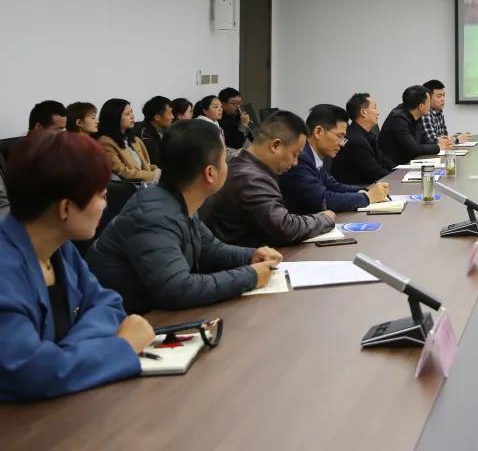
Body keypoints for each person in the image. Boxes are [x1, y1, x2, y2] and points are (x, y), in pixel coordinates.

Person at [0, 132, 154, 401]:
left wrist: (64, 353)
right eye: (102, 196)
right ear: (65, 208)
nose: (106, 205)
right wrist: (122, 347)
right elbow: (29, 371)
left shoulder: (60, 248)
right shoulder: (5, 268)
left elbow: (108, 304)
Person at [87, 120, 281, 313]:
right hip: (124, 320)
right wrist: (250, 276)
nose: (228, 165)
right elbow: (177, 289)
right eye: (224, 160)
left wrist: (251, 256)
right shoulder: (153, 216)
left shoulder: (176, 197)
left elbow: (211, 248)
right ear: (210, 173)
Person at [202, 111, 336, 246]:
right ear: (275, 145)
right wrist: (324, 219)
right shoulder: (251, 178)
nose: (295, 162)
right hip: (247, 255)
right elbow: (285, 228)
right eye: (294, 154)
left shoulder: (241, 164)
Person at [280, 105, 388, 215]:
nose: (342, 144)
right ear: (318, 132)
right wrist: (367, 197)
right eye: (339, 136)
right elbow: (321, 199)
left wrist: (367, 191)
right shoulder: (300, 159)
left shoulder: (313, 155)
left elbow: (333, 186)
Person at [379, 85, 454, 165]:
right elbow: (414, 149)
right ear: (421, 106)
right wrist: (438, 147)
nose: (430, 105)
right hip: (394, 167)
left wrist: (438, 141)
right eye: (429, 102)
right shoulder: (398, 119)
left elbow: (423, 140)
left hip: (409, 162)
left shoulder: (416, 113)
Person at [333, 92, 397, 185]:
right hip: (359, 188)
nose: (378, 112)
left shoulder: (366, 134)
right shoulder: (356, 141)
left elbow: (382, 159)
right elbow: (375, 173)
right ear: (363, 112)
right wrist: (398, 178)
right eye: (374, 108)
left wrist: (400, 171)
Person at [95, 99, 160, 184]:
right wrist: (154, 176)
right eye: (127, 114)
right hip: (129, 188)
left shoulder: (135, 140)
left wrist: (158, 171)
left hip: (146, 185)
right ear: (115, 117)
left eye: (132, 112)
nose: (132, 116)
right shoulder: (105, 142)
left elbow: (146, 166)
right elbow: (122, 172)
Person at [421, 79, 470, 145]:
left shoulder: (439, 112)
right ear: (428, 98)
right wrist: (457, 139)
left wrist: (452, 138)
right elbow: (432, 141)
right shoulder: (426, 114)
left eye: (444, 95)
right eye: (439, 96)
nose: (443, 99)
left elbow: (445, 136)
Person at [139, 96, 174, 167]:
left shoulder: (160, 131)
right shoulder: (145, 136)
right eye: (170, 113)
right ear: (157, 117)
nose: (173, 117)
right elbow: (159, 163)